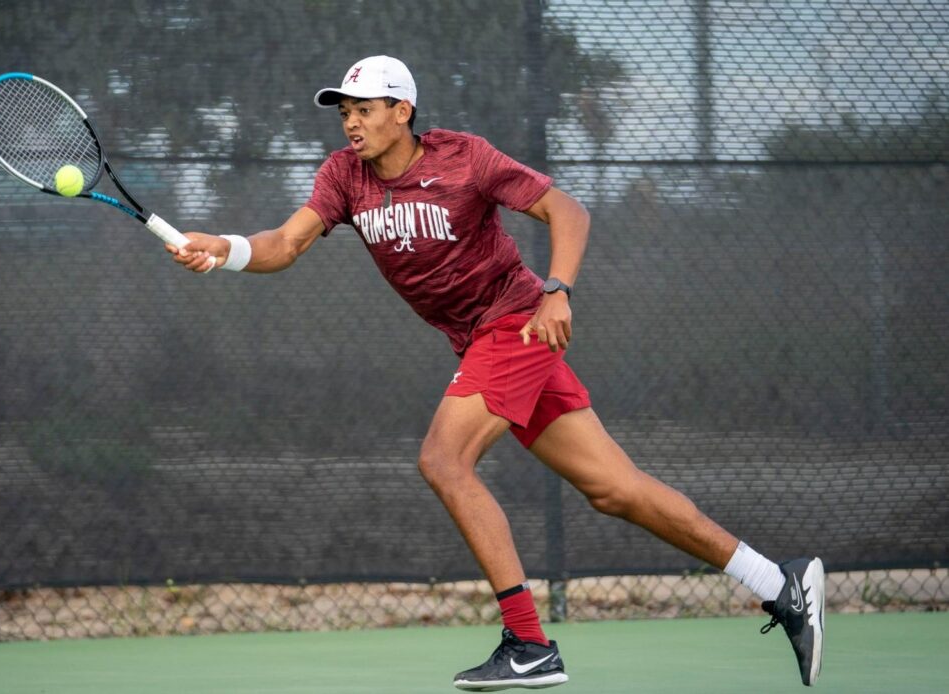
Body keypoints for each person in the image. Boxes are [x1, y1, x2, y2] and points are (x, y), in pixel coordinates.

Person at [167, 55, 825, 690]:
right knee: (615, 489)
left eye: (365, 110)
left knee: (443, 460)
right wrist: (223, 249)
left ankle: (530, 645)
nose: (351, 123)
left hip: (517, 324)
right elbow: (288, 242)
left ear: (403, 110)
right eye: (345, 111)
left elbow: (567, 210)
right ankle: (780, 584)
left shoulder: (465, 158)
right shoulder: (344, 175)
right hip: (481, 341)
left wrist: (559, 288)